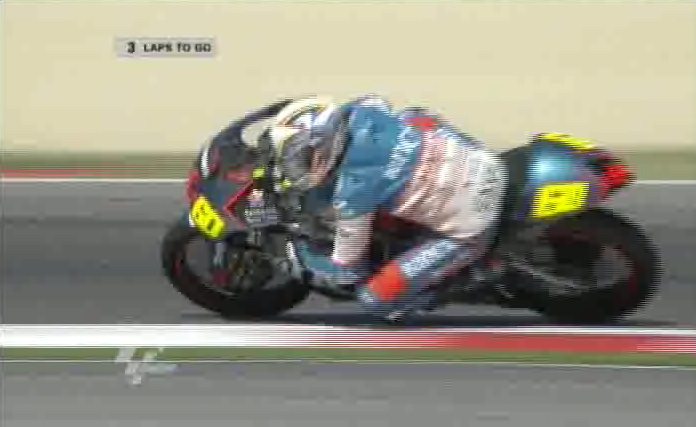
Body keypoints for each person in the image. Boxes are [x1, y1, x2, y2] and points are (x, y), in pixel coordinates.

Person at [267, 94, 508, 321]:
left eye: (304, 155)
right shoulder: (363, 111)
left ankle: (465, 283)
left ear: (323, 139)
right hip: (486, 161)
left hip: (474, 225)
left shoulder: (354, 192)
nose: (300, 164)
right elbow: (377, 101)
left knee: (374, 299)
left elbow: (348, 270)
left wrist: (300, 255)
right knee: (414, 116)